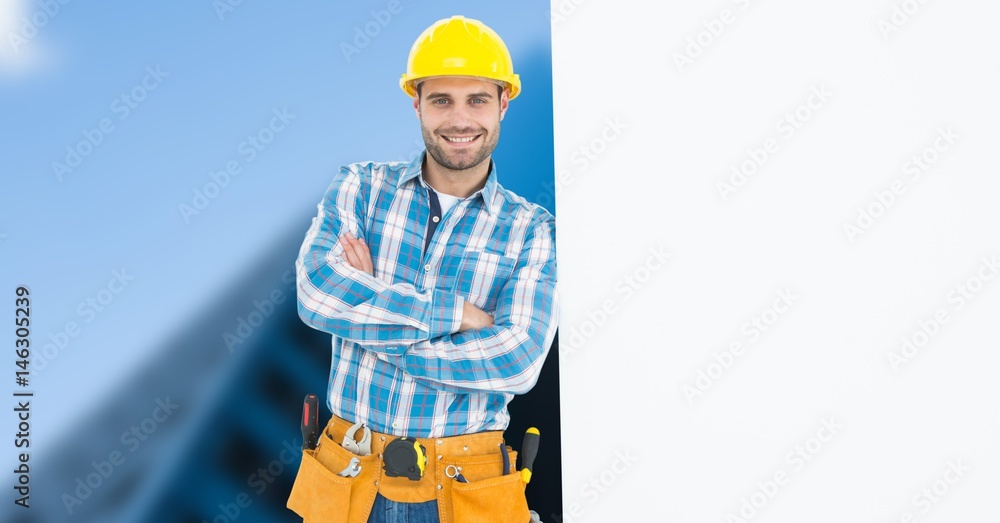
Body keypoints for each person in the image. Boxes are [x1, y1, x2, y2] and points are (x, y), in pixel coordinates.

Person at [286, 15, 558, 523]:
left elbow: (516, 362)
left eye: (477, 99)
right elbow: (317, 293)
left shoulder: (532, 230)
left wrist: (369, 317)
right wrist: (457, 314)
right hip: (349, 473)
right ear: (417, 104)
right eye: (441, 100)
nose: (459, 119)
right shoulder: (361, 187)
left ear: (504, 103)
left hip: (465, 483)